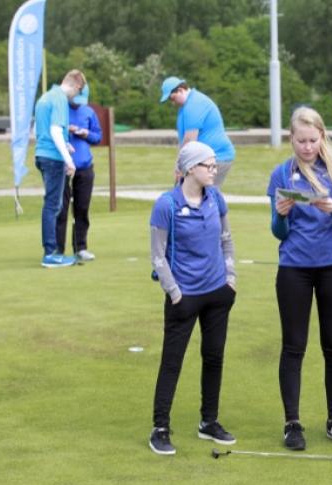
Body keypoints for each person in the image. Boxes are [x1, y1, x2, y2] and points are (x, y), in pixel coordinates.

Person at [266, 107, 332, 451]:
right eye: (301, 141)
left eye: (312, 140)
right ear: (291, 139)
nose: (307, 147)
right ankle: (292, 423)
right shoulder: (281, 174)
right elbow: (279, 232)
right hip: (294, 268)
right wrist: (280, 215)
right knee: (293, 346)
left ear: (322, 137)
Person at [148, 141, 238, 456]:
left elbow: (227, 240)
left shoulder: (216, 198)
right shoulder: (166, 205)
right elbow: (158, 256)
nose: (214, 171)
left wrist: (230, 279)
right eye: (208, 166)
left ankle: (208, 421)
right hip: (184, 297)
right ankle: (160, 428)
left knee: (214, 357)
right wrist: (175, 293)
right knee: (172, 362)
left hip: (217, 293)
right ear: (190, 168)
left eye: (215, 165)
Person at [34, 69, 86, 268]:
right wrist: (69, 160)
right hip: (53, 157)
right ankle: (50, 254)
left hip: (42, 154)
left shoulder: (45, 97)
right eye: (78, 92)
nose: (76, 96)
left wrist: (66, 144)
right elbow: (55, 130)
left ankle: (51, 252)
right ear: (76, 85)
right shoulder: (60, 99)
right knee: (53, 205)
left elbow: (41, 130)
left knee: (52, 204)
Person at [159, 76, 235, 188]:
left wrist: (180, 167)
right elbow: (184, 140)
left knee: (206, 194)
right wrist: (179, 165)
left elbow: (190, 140)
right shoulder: (186, 106)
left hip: (217, 157)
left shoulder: (194, 104)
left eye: (172, 98)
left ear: (180, 90)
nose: (173, 103)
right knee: (189, 192)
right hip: (203, 158)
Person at [55, 84, 101, 261]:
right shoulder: (60, 111)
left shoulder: (89, 112)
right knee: (61, 209)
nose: (77, 104)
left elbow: (97, 137)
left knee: (82, 208)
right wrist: (67, 130)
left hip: (85, 167)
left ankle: (80, 247)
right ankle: (58, 250)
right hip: (63, 167)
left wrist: (86, 133)